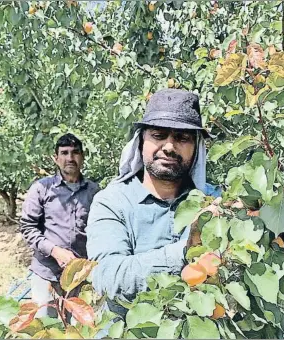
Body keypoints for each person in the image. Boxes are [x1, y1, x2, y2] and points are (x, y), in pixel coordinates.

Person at [86, 88, 220, 316]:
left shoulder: (214, 201)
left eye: (182, 138)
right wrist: (186, 250)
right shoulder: (112, 201)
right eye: (158, 135)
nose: (169, 146)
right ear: (140, 142)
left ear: (196, 147)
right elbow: (108, 278)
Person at [19, 133, 100, 318]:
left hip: (80, 278)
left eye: (75, 152)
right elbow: (28, 228)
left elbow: (100, 231)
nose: (70, 158)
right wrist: (55, 251)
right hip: (47, 273)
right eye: (64, 153)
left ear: (83, 156)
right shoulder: (42, 188)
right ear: (56, 158)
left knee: (79, 330)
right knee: (45, 326)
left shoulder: (94, 192)